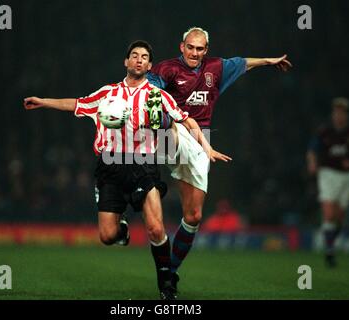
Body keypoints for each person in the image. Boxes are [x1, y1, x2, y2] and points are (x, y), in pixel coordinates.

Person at [23, 40, 217, 299]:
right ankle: (122, 230)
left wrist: (206, 146)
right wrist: (44, 101)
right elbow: (78, 103)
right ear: (126, 62)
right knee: (107, 236)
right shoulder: (107, 94)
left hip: (144, 165)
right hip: (111, 166)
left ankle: (166, 283)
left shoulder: (158, 96)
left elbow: (186, 118)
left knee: (156, 229)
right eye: (134, 55)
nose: (138, 60)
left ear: (149, 66)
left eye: (144, 57)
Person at [146, 26, 292, 294]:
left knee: (194, 216)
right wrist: (155, 99)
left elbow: (244, 63)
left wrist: (269, 61)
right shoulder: (167, 69)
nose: (194, 52)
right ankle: (148, 158)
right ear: (182, 46)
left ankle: (169, 273)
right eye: (190, 47)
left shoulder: (216, 68)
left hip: (202, 139)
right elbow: (150, 88)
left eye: (199, 48)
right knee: (164, 118)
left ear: (206, 51)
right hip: (174, 132)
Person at [306, 97, 349, 267]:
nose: (338, 115)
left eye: (342, 112)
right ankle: (329, 251)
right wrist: (312, 163)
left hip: (348, 177)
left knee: (339, 217)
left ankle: (330, 243)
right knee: (328, 214)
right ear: (333, 114)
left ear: (346, 115)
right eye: (336, 112)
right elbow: (312, 150)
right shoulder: (325, 131)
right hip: (327, 174)